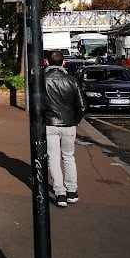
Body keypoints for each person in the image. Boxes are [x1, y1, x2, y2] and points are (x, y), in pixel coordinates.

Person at [43, 50, 86, 208]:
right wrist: (76, 120)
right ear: (64, 63)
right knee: (68, 156)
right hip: (69, 124)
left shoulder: (42, 80)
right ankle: (72, 191)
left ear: (46, 62)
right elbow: (82, 106)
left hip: (50, 123)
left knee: (53, 157)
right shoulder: (72, 80)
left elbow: (37, 105)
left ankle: (60, 193)